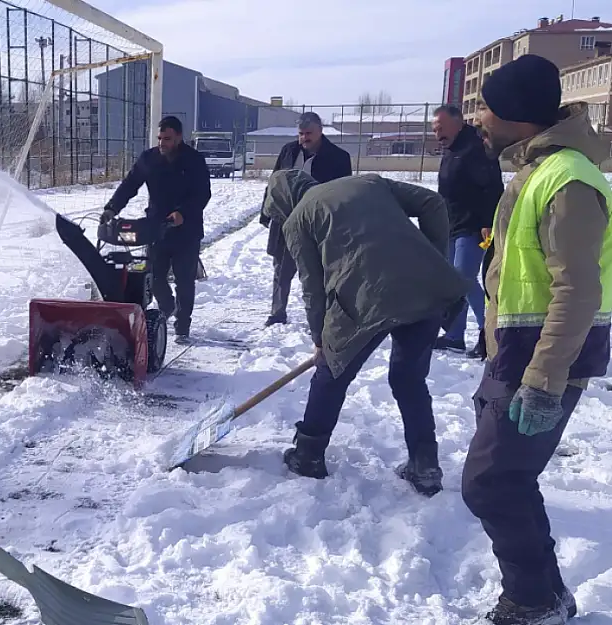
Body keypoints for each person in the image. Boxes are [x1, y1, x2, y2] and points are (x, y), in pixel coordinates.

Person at [460, 54, 612, 625]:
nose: (479, 115)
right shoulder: (541, 168)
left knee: (492, 484)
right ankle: (545, 595)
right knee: (508, 479)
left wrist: (545, 380)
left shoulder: (567, 178)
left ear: (516, 114)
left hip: (543, 362)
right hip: (519, 355)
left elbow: (578, 290)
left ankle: (533, 600)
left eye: (485, 106)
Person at [262, 169, 466, 496]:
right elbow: (432, 203)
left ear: (283, 200)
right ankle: (425, 464)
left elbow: (313, 290)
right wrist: (433, 259)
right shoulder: (368, 181)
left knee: (331, 373)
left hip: (365, 298)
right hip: (425, 287)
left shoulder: (297, 220)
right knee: (409, 378)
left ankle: (309, 454)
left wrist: (320, 340)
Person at [102, 115, 211, 344]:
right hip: (156, 228)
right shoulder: (149, 159)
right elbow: (129, 185)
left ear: (179, 138)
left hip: (186, 230)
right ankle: (167, 306)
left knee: (184, 280)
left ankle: (183, 325)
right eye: (160, 138)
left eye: (168, 139)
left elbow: (203, 194)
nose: (162, 143)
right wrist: (112, 208)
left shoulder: (194, 160)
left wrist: (183, 212)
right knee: (155, 277)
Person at [260, 111, 352, 326]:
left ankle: (324, 317)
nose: (304, 138)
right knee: (281, 270)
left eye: (309, 133)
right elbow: (274, 183)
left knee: (318, 272)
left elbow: (345, 193)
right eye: (301, 134)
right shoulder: (288, 151)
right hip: (285, 220)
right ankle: (277, 313)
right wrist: (266, 212)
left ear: (320, 130)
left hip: (318, 225)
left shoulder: (338, 158)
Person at [432, 104, 504, 359]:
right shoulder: (452, 149)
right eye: (434, 128)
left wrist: (486, 221)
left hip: (473, 227)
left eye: (440, 127)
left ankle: (491, 335)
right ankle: (454, 336)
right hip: (452, 225)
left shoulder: (475, 148)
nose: (436, 132)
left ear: (457, 123)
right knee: (454, 281)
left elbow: (492, 187)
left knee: (465, 279)